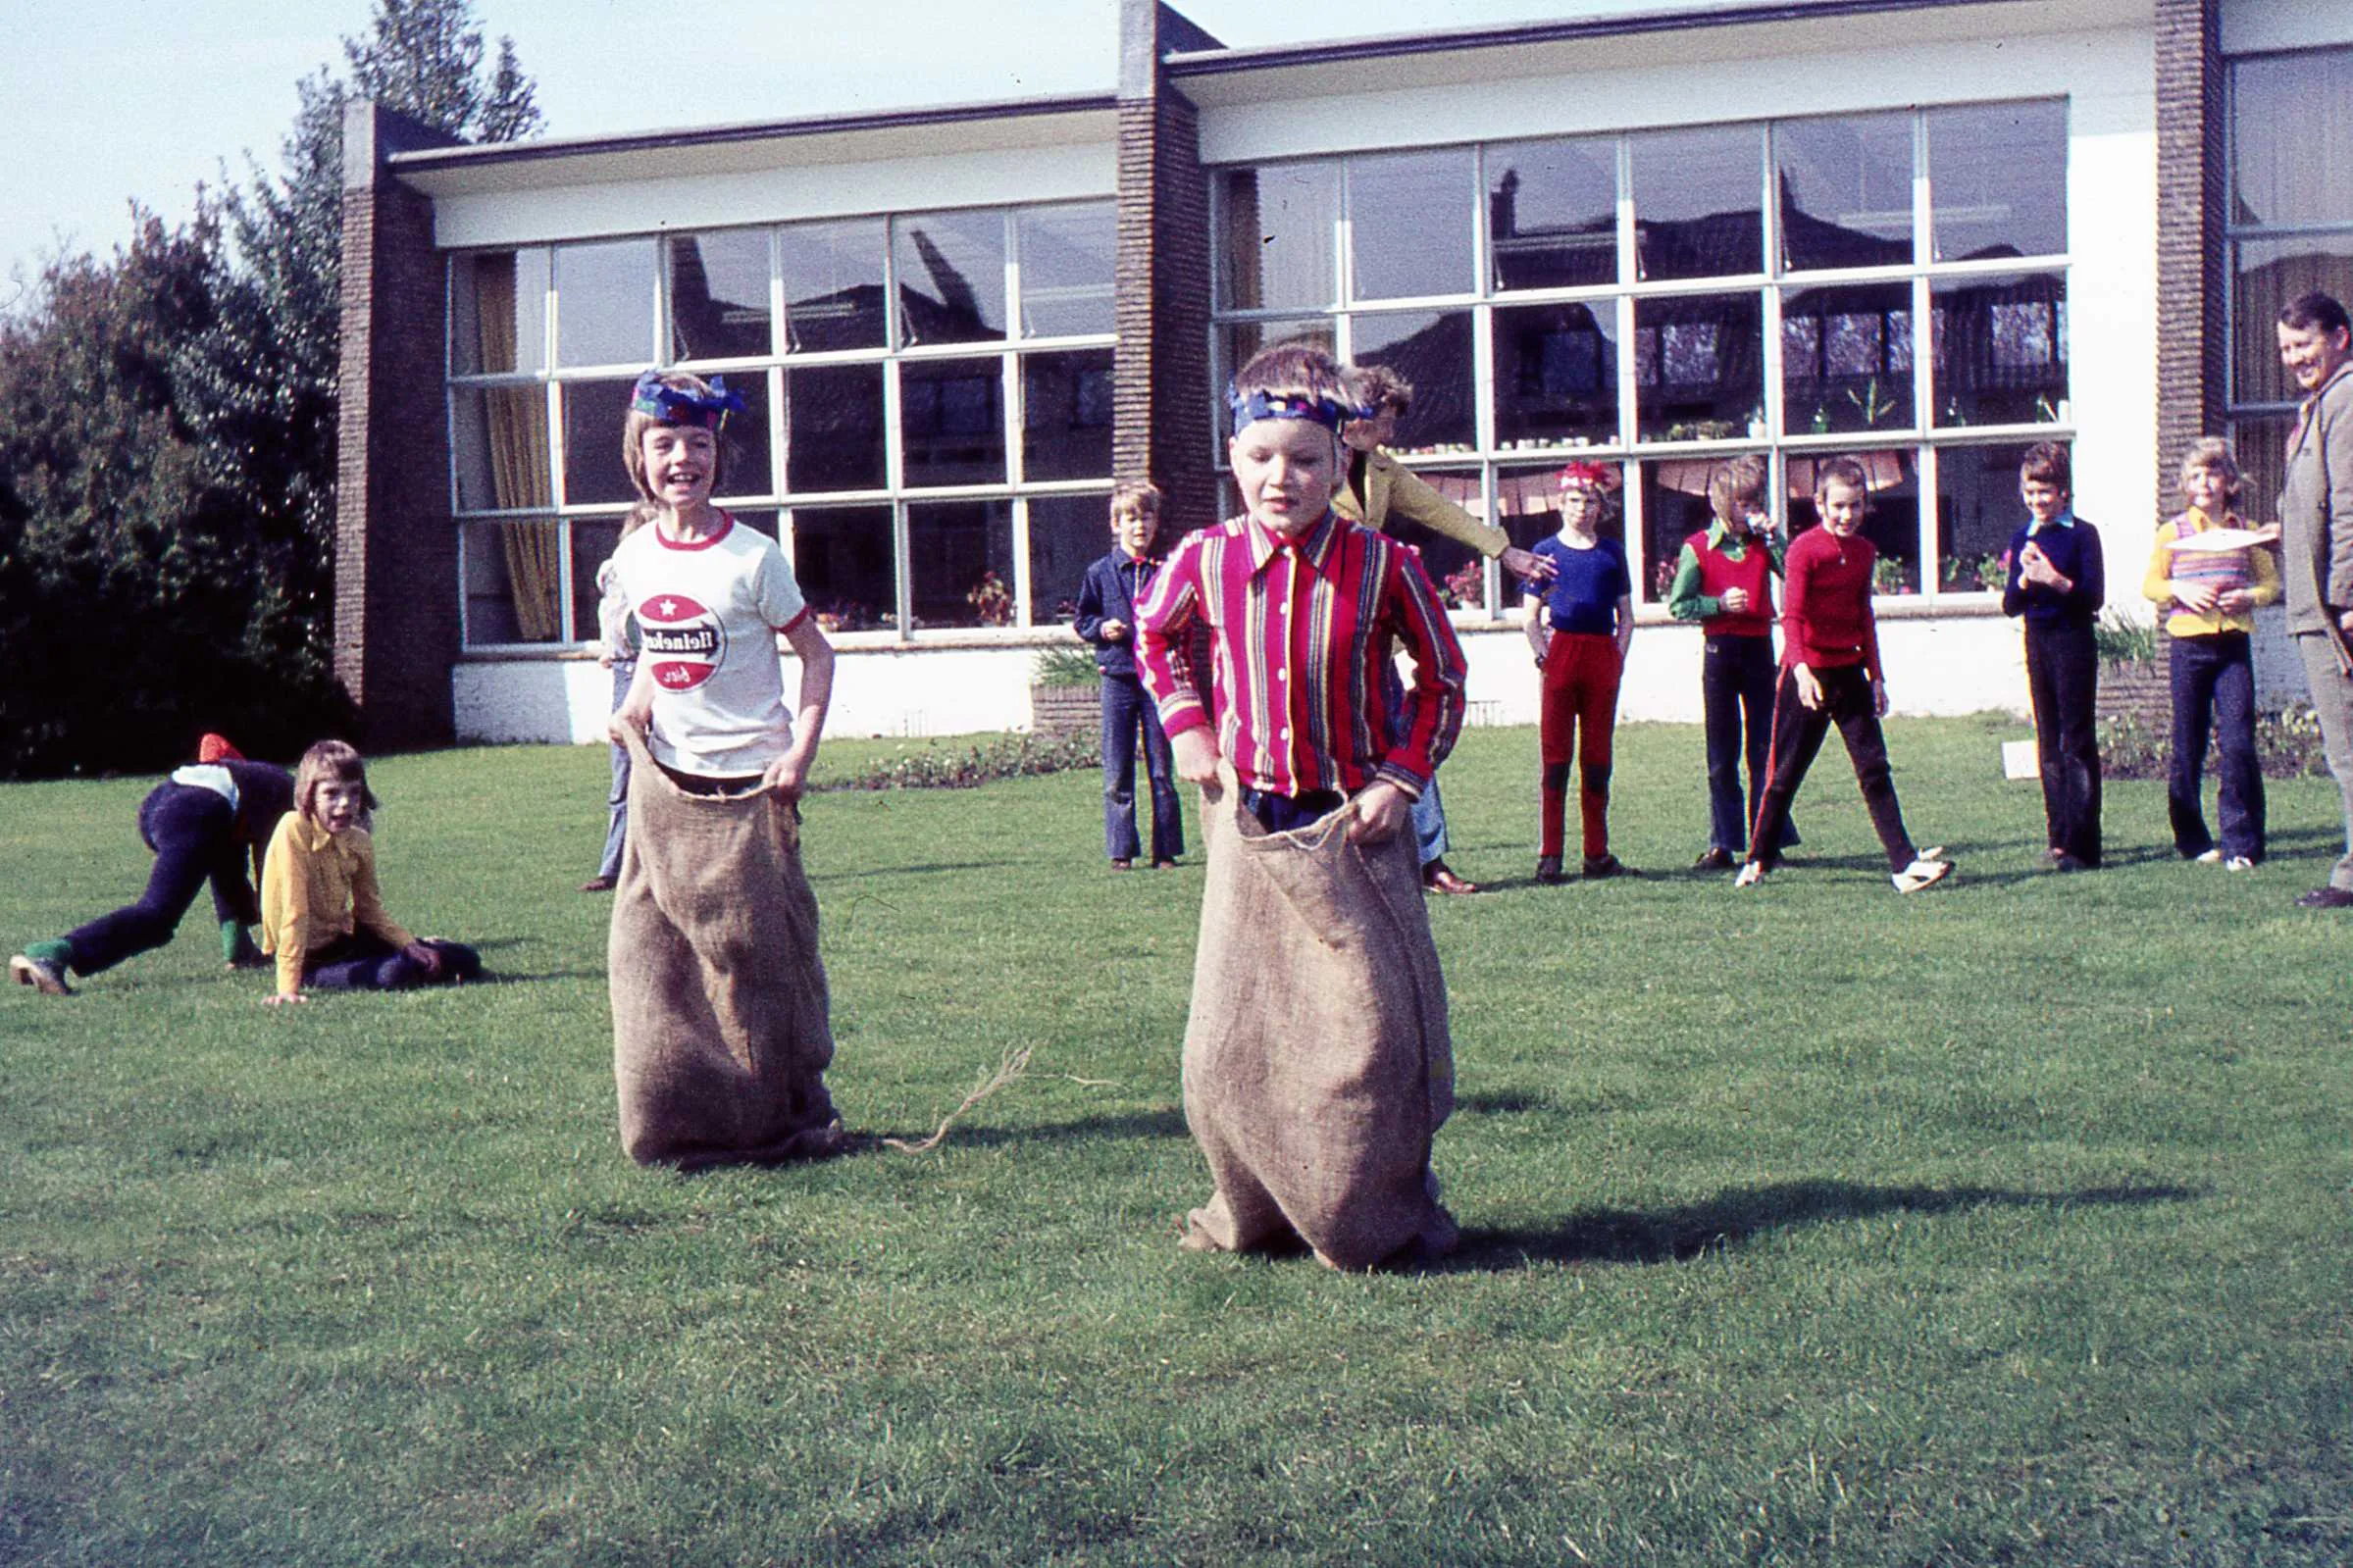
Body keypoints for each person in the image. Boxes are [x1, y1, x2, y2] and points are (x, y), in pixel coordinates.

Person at [1136, 340, 1466, 1269]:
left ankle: (1373, 1211)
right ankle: (1252, 1206)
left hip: (1351, 830)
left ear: (1341, 459)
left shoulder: (1382, 563)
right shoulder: (1202, 559)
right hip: (1248, 830)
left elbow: (1442, 677)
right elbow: (1155, 642)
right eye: (1260, 458)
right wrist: (1188, 727)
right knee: (1231, 1042)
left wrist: (1399, 778)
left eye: (1306, 459)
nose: (1282, 479)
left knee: (1369, 1038)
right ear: (1233, 459)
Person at [605, 370, 848, 1165]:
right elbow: (656, 653)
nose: (683, 459)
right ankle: (681, 1114)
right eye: (665, 443)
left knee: (760, 964)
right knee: (654, 959)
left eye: (698, 444)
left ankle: (787, 1110)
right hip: (670, 793)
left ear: (719, 455)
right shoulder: (637, 557)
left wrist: (799, 750)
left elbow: (816, 654)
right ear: (639, 457)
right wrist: (637, 706)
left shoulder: (753, 557)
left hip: (750, 792)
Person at [1333, 363, 1552, 895]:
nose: (1390, 434)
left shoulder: (1382, 470)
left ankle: (1431, 859)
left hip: (1370, 628)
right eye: (1385, 421)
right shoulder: (1314, 455)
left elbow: (1441, 511)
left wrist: (1505, 552)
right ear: (1359, 414)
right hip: (1321, 624)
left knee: (1411, 734)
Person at [1737, 457, 1950, 893]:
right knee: (1784, 774)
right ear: (1819, 504)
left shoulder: (1864, 552)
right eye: (1838, 506)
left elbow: (1864, 616)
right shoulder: (1802, 550)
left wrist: (1876, 677)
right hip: (1807, 677)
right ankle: (1757, 858)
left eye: (1854, 505)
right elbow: (1791, 616)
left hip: (1849, 673)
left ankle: (1903, 865)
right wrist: (1800, 672)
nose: (1846, 515)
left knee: (1874, 768)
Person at [11, 735, 290, 997]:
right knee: (157, 916)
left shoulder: (250, 787)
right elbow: (274, 875)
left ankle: (240, 950)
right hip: (196, 809)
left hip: (161, 801)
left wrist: (239, 945)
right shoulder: (288, 799)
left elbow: (230, 869)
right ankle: (52, 953)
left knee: (221, 855)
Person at [259, 740, 481, 1003]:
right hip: (310, 958)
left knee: (465, 957)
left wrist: (408, 943)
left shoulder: (358, 841)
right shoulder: (293, 829)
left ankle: (417, 950)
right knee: (396, 973)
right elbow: (294, 912)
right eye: (331, 794)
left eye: (354, 793)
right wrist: (287, 988)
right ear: (309, 795)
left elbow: (369, 910)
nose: (344, 804)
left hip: (346, 941)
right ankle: (398, 962)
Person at [2143, 436, 2278, 869]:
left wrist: (2249, 598)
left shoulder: (2246, 532)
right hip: (2188, 648)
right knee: (2189, 744)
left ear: (2229, 482)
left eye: (2213, 473)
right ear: (2185, 484)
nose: (2204, 482)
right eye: (2196, 475)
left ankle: (2242, 844)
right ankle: (2193, 840)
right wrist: (2179, 588)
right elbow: (2152, 585)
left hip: (2232, 647)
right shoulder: (2173, 532)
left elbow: (2270, 585)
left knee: (2238, 744)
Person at [1667, 454, 1798, 871]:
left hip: (1759, 649)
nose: (1750, 512)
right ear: (1723, 503)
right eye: (1743, 503)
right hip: (1720, 653)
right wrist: (1717, 604)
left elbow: (1794, 575)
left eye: (1755, 502)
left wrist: (1777, 538)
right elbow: (1678, 604)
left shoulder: (1761, 544)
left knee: (1765, 748)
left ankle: (1768, 838)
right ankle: (1722, 842)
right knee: (1722, 753)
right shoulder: (1697, 549)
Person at [2274, 290, 2353, 909]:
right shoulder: (2322, 404)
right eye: (2285, 348)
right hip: (2318, 607)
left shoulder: (2345, 400)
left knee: (2348, 748)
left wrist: (2348, 599)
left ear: (2340, 337)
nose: (2294, 357)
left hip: (2335, 613)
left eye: (2304, 344)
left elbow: (2350, 508)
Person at [1523, 461, 1633, 882]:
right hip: (1561, 652)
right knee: (1555, 758)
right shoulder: (1547, 551)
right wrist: (1543, 656)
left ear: (1599, 506)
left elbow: (1626, 615)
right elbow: (1531, 615)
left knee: (1597, 758)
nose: (1581, 509)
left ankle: (1597, 853)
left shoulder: (1611, 553)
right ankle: (1550, 854)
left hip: (1601, 654)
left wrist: (1617, 658)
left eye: (1589, 501)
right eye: (1574, 500)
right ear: (1560, 503)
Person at [2001, 441, 2105, 871]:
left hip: (2073, 640)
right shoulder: (2022, 536)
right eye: (2030, 492)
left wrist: (2055, 580)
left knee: (2076, 739)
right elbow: (2010, 603)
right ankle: (2058, 836)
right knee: (2047, 738)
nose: (2037, 501)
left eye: (2045, 492)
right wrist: (2026, 581)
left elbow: (2093, 597)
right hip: (2037, 639)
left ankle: (2084, 844)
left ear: (2063, 491)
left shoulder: (2082, 534)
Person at [1072, 481, 1183, 870]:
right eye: (1131, 518)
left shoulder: (1166, 569)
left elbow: (1183, 616)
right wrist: (1102, 628)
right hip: (1117, 678)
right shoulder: (1100, 572)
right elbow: (1082, 619)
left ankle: (1166, 850)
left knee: (1160, 769)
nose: (1139, 526)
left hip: (1156, 681)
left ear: (1155, 523)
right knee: (1118, 770)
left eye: (1146, 517)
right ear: (1115, 524)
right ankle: (1121, 851)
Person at [580, 515, 646, 893]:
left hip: (654, 672)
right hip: (625, 671)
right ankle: (612, 867)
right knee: (623, 773)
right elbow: (613, 614)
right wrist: (610, 647)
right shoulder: (614, 572)